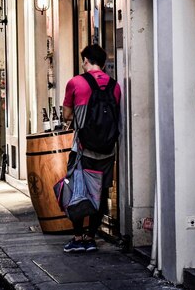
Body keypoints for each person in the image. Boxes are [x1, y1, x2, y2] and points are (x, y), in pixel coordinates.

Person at [61, 44, 121, 253]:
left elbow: (67, 116)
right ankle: (90, 237)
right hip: (107, 150)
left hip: (82, 149)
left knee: (77, 191)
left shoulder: (75, 83)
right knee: (101, 192)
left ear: (86, 60)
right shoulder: (115, 86)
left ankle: (78, 237)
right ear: (104, 63)